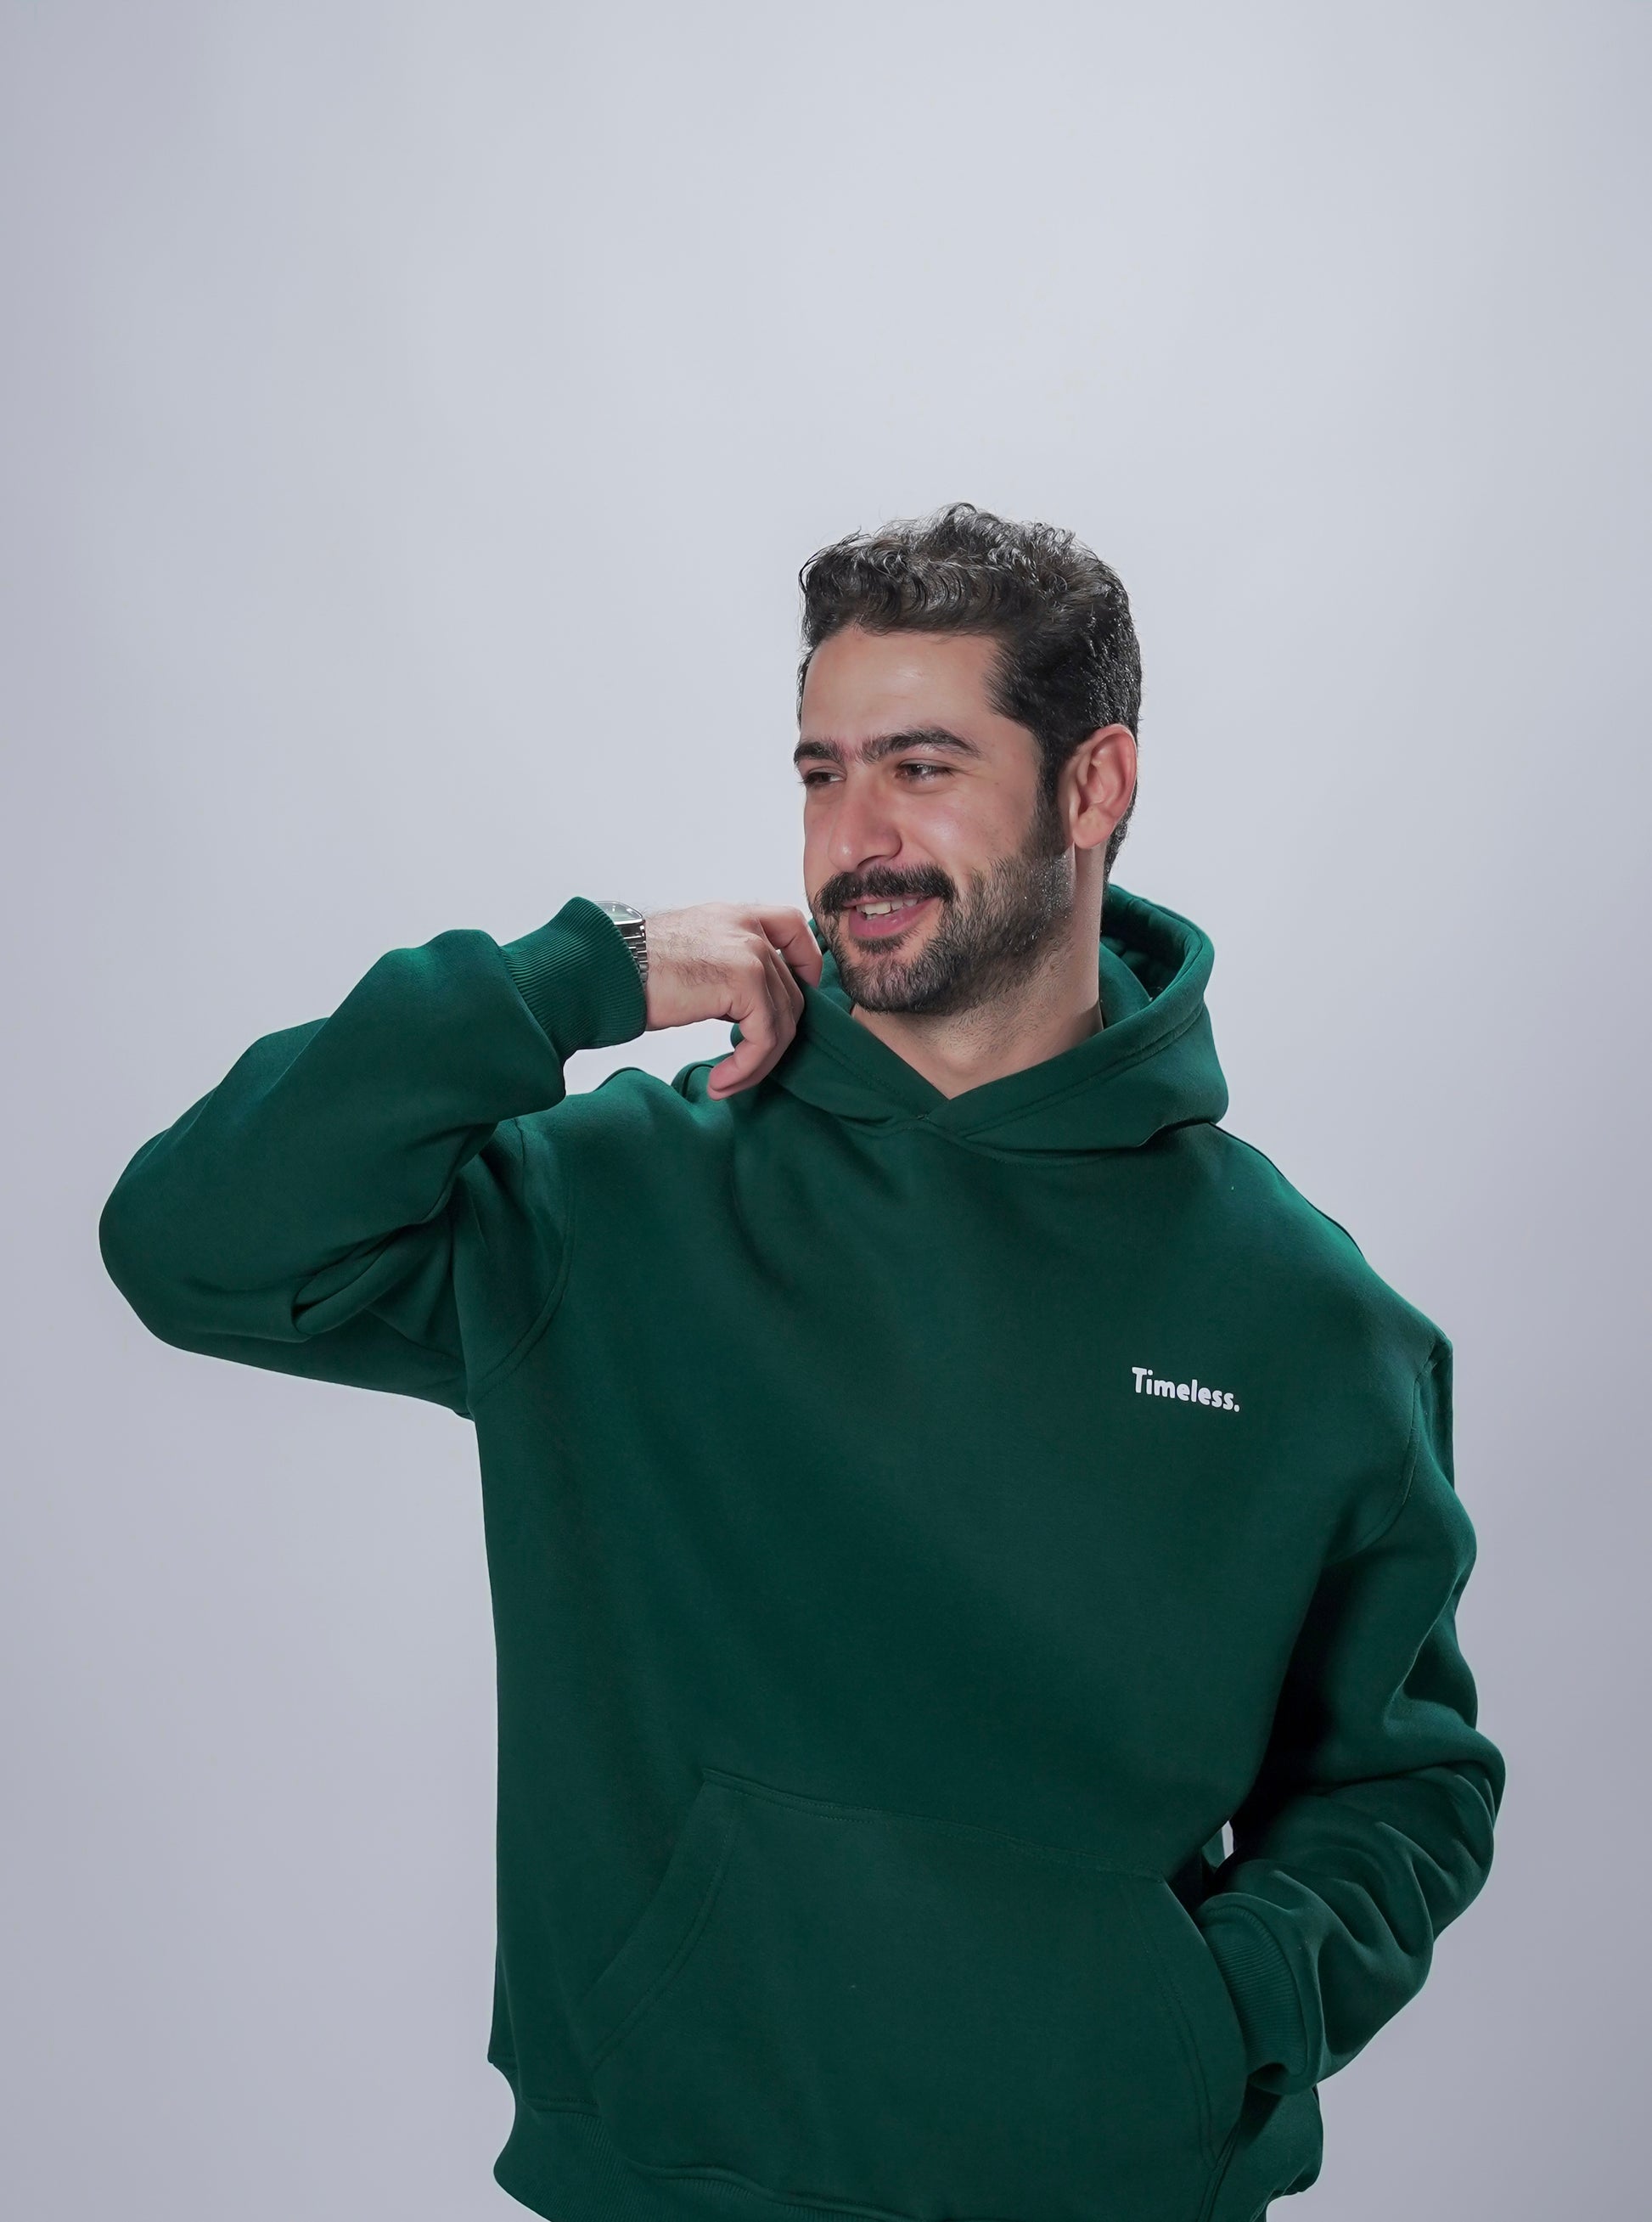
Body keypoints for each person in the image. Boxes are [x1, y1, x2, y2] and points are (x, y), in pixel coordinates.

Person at [99, 503, 1504, 2222]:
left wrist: (1210, 2026)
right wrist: (580, 976)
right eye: (823, 773)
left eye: (921, 766)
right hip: (671, 2178)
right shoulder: (622, 1198)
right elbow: (193, 1243)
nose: (857, 837)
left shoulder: (1303, 1316)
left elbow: (1402, 1780)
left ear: (1093, 786)